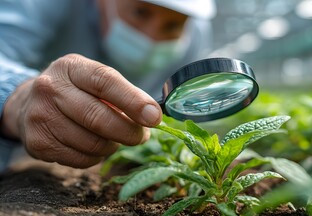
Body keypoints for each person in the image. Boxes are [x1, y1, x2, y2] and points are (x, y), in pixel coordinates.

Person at [0, 0, 216, 171]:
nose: (151, 37)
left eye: (172, 25)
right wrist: (19, 99)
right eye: (141, 12)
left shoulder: (195, 32)